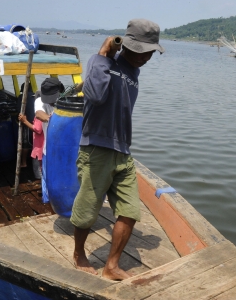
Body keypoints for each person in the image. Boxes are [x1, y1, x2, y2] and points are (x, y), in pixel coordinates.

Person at [70, 19, 165, 280]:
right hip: (96, 149)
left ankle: (111, 266)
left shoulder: (133, 71)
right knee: (88, 210)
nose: (146, 57)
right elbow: (96, 96)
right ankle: (78, 253)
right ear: (127, 45)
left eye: (150, 52)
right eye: (141, 50)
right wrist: (103, 54)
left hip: (123, 152)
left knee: (130, 211)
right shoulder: (99, 62)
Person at [34, 78, 65, 201]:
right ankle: (47, 200)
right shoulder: (39, 100)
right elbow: (39, 114)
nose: (51, 102)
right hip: (50, 149)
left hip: (66, 150)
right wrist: (53, 119)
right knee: (48, 177)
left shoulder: (67, 99)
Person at [18, 96, 44, 183]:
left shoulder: (39, 116)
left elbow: (38, 129)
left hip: (40, 147)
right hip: (44, 145)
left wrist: (25, 121)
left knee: (40, 173)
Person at [16, 83, 36, 168]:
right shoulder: (37, 96)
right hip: (38, 122)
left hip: (28, 122)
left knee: (25, 143)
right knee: (36, 142)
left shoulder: (21, 97)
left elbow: (19, 111)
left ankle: (24, 162)